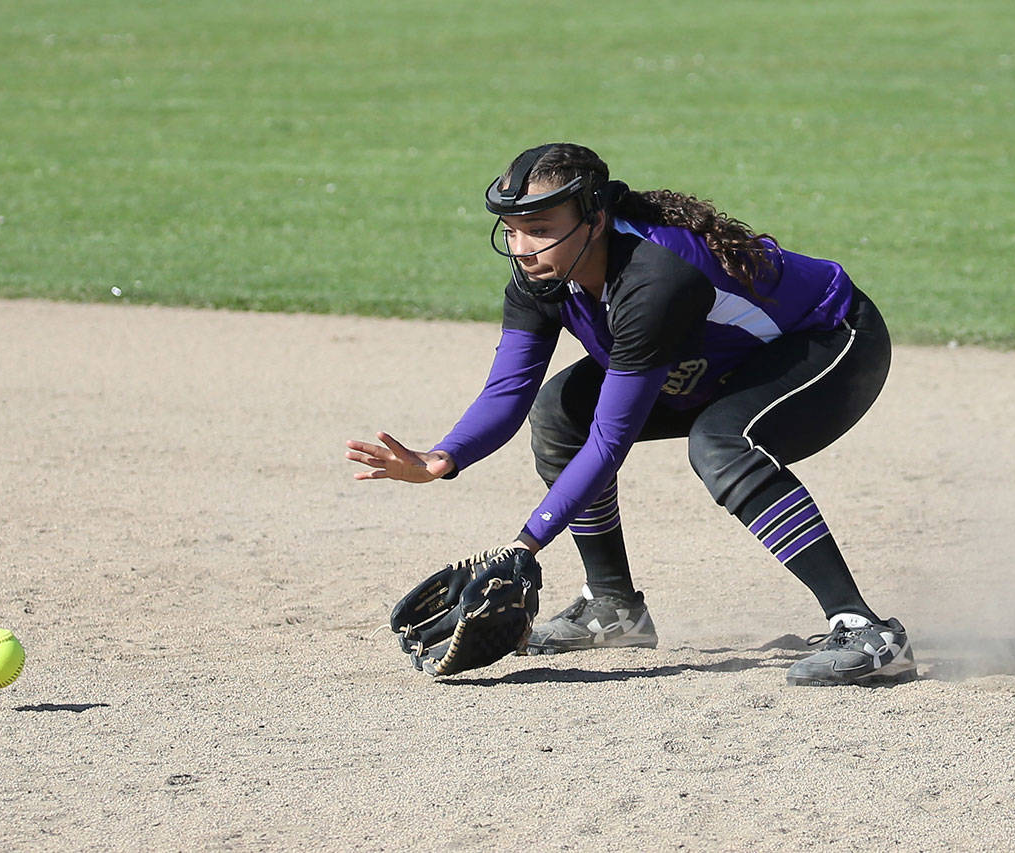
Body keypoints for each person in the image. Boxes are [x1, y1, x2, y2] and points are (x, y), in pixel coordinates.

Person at [345, 142, 915, 686]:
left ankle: (865, 630)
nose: (521, 247)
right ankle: (614, 608)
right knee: (558, 413)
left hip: (828, 344)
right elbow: (508, 394)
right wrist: (443, 456)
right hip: (707, 360)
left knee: (721, 443)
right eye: (512, 228)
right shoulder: (542, 276)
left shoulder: (655, 277)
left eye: (540, 229)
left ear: (594, 218)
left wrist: (525, 545)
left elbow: (610, 440)